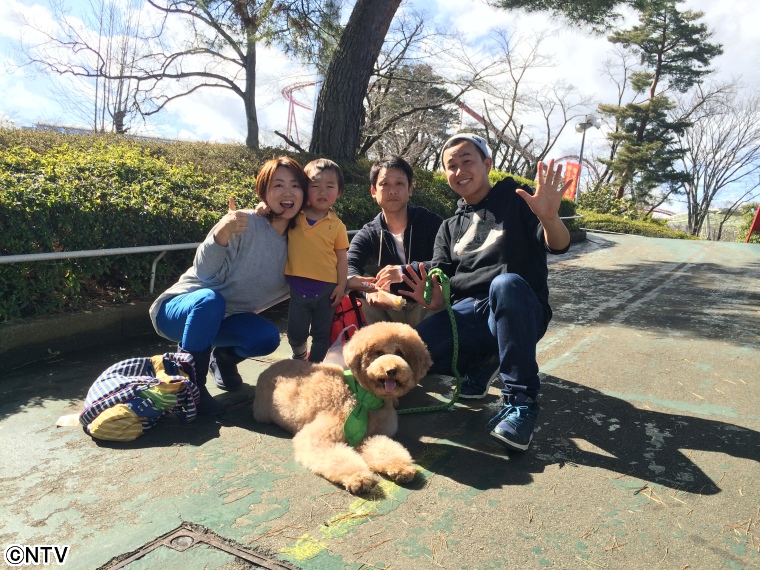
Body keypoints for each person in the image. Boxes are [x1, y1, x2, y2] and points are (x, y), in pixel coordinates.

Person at [401, 133, 571, 452]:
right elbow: (441, 275)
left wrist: (549, 217)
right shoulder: (448, 227)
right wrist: (434, 298)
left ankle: (520, 404)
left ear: (487, 164)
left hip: (517, 307)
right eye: (451, 165)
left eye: (467, 161)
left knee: (504, 284)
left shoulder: (517, 200)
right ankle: (482, 361)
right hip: (468, 314)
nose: (459, 170)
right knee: (414, 352)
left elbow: (559, 245)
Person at [149, 156, 307, 415]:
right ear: (264, 193)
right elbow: (204, 271)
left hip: (228, 319)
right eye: (278, 185)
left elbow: (319, 277)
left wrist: (349, 281)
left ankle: (222, 360)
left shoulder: (302, 243)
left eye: (295, 185)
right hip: (181, 309)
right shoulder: (243, 222)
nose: (288, 192)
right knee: (210, 301)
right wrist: (221, 232)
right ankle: (192, 387)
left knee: (266, 338)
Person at [346, 156, 443, 327]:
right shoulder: (369, 232)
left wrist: (402, 272)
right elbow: (349, 264)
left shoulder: (429, 222)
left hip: (427, 303)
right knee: (359, 286)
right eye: (384, 184)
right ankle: (378, 344)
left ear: (410, 189)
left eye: (399, 183)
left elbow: (446, 261)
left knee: (442, 293)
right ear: (373, 191)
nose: (392, 191)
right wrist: (367, 290)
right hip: (389, 307)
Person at [283, 158, 350, 362]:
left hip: (327, 290)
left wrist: (341, 285)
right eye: (315, 186)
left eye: (330, 186)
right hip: (297, 286)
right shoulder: (294, 216)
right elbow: (272, 213)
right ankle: (299, 355)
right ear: (304, 189)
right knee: (295, 333)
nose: (322, 192)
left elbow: (342, 258)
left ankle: (314, 369)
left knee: (322, 333)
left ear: (339, 191)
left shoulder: (337, 226)